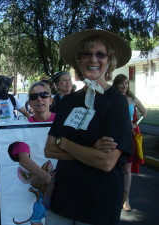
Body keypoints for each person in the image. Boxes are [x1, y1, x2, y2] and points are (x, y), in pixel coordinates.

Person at [44, 29, 132, 225]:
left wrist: (64, 143)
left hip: (98, 204)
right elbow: (49, 149)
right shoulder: (68, 101)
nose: (93, 59)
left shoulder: (116, 102)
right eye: (87, 54)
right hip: (63, 199)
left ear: (109, 61)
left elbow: (107, 162)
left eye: (100, 54)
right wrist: (91, 150)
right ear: (79, 61)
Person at [113, 73, 147, 211]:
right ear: (116, 84)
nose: (124, 85)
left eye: (126, 83)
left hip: (130, 137)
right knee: (113, 167)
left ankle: (125, 198)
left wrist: (135, 123)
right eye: (121, 83)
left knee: (127, 169)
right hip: (115, 137)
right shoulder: (112, 98)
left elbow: (144, 113)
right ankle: (113, 195)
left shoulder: (132, 99)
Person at [10, 81, 55, 184]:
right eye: (34, 97)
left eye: (44, 95)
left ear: (50, 100)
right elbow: (24, 160)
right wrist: (49, 180)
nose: (39, 99)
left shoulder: (62, 122)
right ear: (29, 103)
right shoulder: (23, 127)